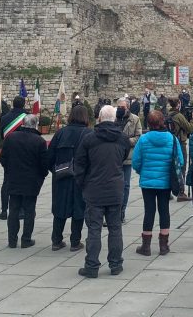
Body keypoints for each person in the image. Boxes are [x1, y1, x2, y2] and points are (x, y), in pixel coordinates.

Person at [74, 105, 131, 277]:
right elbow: (122, 157)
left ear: (99, 118)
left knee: (94, 229)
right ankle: (115, 264)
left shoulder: (90, 139)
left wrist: (82, 183)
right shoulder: (122, 139)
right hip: (114, 188)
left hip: (94, 188)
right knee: (115, 228)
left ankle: (92, 266)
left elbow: (80, 164)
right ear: (114, 119)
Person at [132, 110, 183, 256]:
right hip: (165, 180)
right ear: (163, 122)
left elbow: (136, 161)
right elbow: (180, 160)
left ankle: (146, 246)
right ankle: (163, 245)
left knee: (149, 211)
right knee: (164, 210)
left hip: (148, 181)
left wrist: (143, 171)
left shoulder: (144, 139)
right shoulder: (172, 139)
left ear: (149, 123)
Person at [0, 113, 49, 248]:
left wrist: (9, 170)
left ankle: (12, 240)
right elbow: (44, 163)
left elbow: (3, 157)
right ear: (35, 125)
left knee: (14, 209)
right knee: (29, 210)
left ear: (23, 124)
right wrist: (42, 175)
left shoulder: (11, 138)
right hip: (31, 180)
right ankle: (26, 239)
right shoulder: (39, 141)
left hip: (14, 178)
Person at [49, 104, 91, 251]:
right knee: (79, 208)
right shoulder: (89, 133)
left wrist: (56, 170)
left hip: (61, 176)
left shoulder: (60, 133)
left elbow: (50, 156)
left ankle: (56, 240)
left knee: (60, 207)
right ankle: (75, 241)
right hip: (81, 177)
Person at [0, 96, 27, 220]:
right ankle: (21, 210)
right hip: (25, 153)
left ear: (13, 104)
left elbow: (1, 135)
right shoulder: (28, 118)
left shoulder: (4, 118)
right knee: (23, 182)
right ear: (23, 104)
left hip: (9, 152)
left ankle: (4, 211)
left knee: (7, 182)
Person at [116, 98, 142, 223]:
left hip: (127, 156)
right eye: (119, 107)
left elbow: (138, 137)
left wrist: (126, 141)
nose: (120, 109)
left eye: (123, 107)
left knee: (125, 185)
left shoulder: (135, 119)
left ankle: (122, 212)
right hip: (113, 157)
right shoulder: (113, 118)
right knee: (113, 185)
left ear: (128, 107)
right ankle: (112, 212)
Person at [166, 97, 192, 201]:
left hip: (169, 142)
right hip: (180, 143)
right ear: (178, 105)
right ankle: (181, 192)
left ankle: (168, 192)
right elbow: (189, 128)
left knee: (169, 167)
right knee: (181, 166)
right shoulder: (179, 116)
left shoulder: (167, 114)